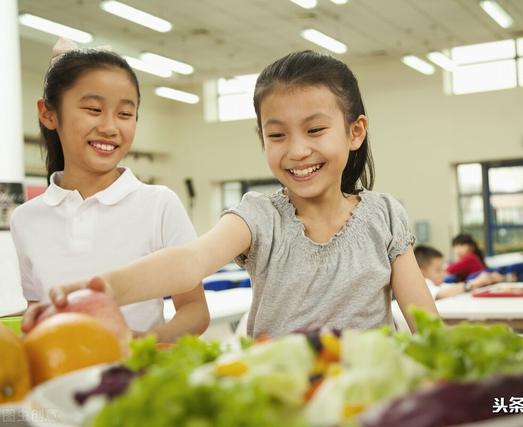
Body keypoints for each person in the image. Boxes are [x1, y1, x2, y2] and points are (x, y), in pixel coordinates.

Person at [23, 50, 438, 338]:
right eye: (277, 135)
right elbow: (189, 261)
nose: (297, 150)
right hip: (277, 402)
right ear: (262, 139)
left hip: (370, 403)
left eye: (315, 130)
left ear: (354, 132)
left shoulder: (384, 216)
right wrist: (103, 288)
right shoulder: (258, 216)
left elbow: (425, 324)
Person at [11, 40, 208, 342]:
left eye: (125, 114)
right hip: (60, 378)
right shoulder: (26, 219)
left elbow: (194, 309)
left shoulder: (158, 204)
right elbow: (37, 310)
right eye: (93, 109)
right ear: (48, 113)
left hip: (135, 380)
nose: (110, 126)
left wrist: (146, 343)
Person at [414, 245, 502, 299]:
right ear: (421, 272)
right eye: (438, 270)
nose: (443, 273)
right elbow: (441, 294)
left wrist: (484, 281)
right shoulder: (423, 285)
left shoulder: (439, 285)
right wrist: (476, 283)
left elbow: (455, 288)